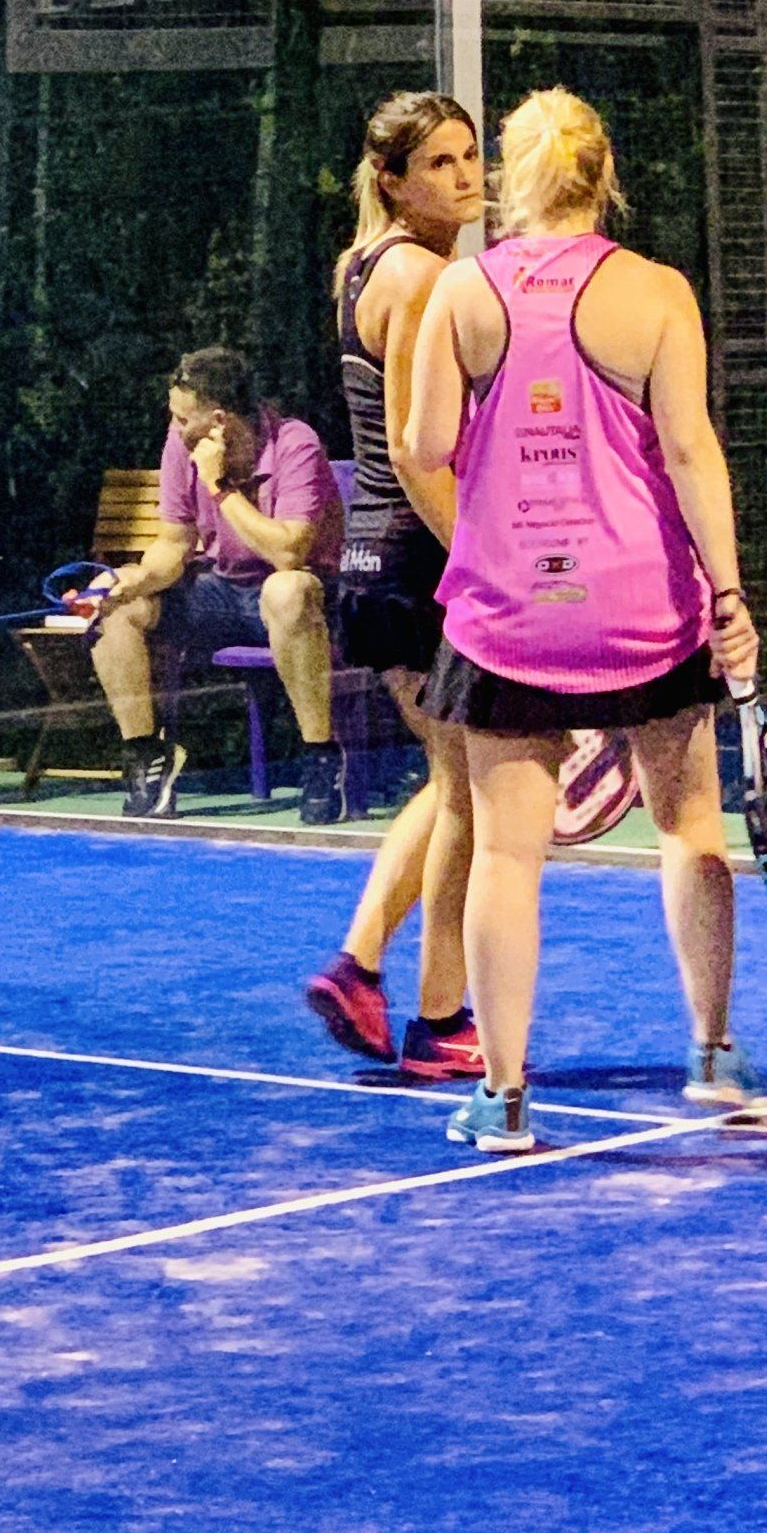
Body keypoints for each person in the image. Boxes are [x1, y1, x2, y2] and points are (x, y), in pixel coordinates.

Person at [405, 87, 767, 1153]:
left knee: (505, 857)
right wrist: (729, 595)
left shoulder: (462, 291)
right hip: (644, 610)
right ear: (604, 175)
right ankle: (712, 1053)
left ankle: (504, 1098)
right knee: (690, 827)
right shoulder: (658, 292)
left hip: (507, 615)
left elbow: (424, 444)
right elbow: (691, 452)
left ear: (508, 179)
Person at [304, 91, 487, 1083]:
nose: (465, 178)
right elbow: (421, 454)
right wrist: (482, 559)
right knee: (468, 800)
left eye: (470, 156)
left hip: (378, 564)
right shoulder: (420, 276)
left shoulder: (361, 264)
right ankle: (438, 1018)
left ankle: (363, 968)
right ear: (392, 180)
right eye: (440, 164)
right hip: (420, 564)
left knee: (453, 783)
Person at [90, 346, 346, 822]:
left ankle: (321, 758)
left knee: (286, 589)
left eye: (182, 417)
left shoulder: (296, 444)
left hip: (302, 601)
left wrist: (220, 487)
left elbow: (288, 553)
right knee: (118, 608)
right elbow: (174, 544)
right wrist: (135, 579)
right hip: (220, 591)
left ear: (219, 421)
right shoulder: (180, 445)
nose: (174, 427)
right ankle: (146, 757)